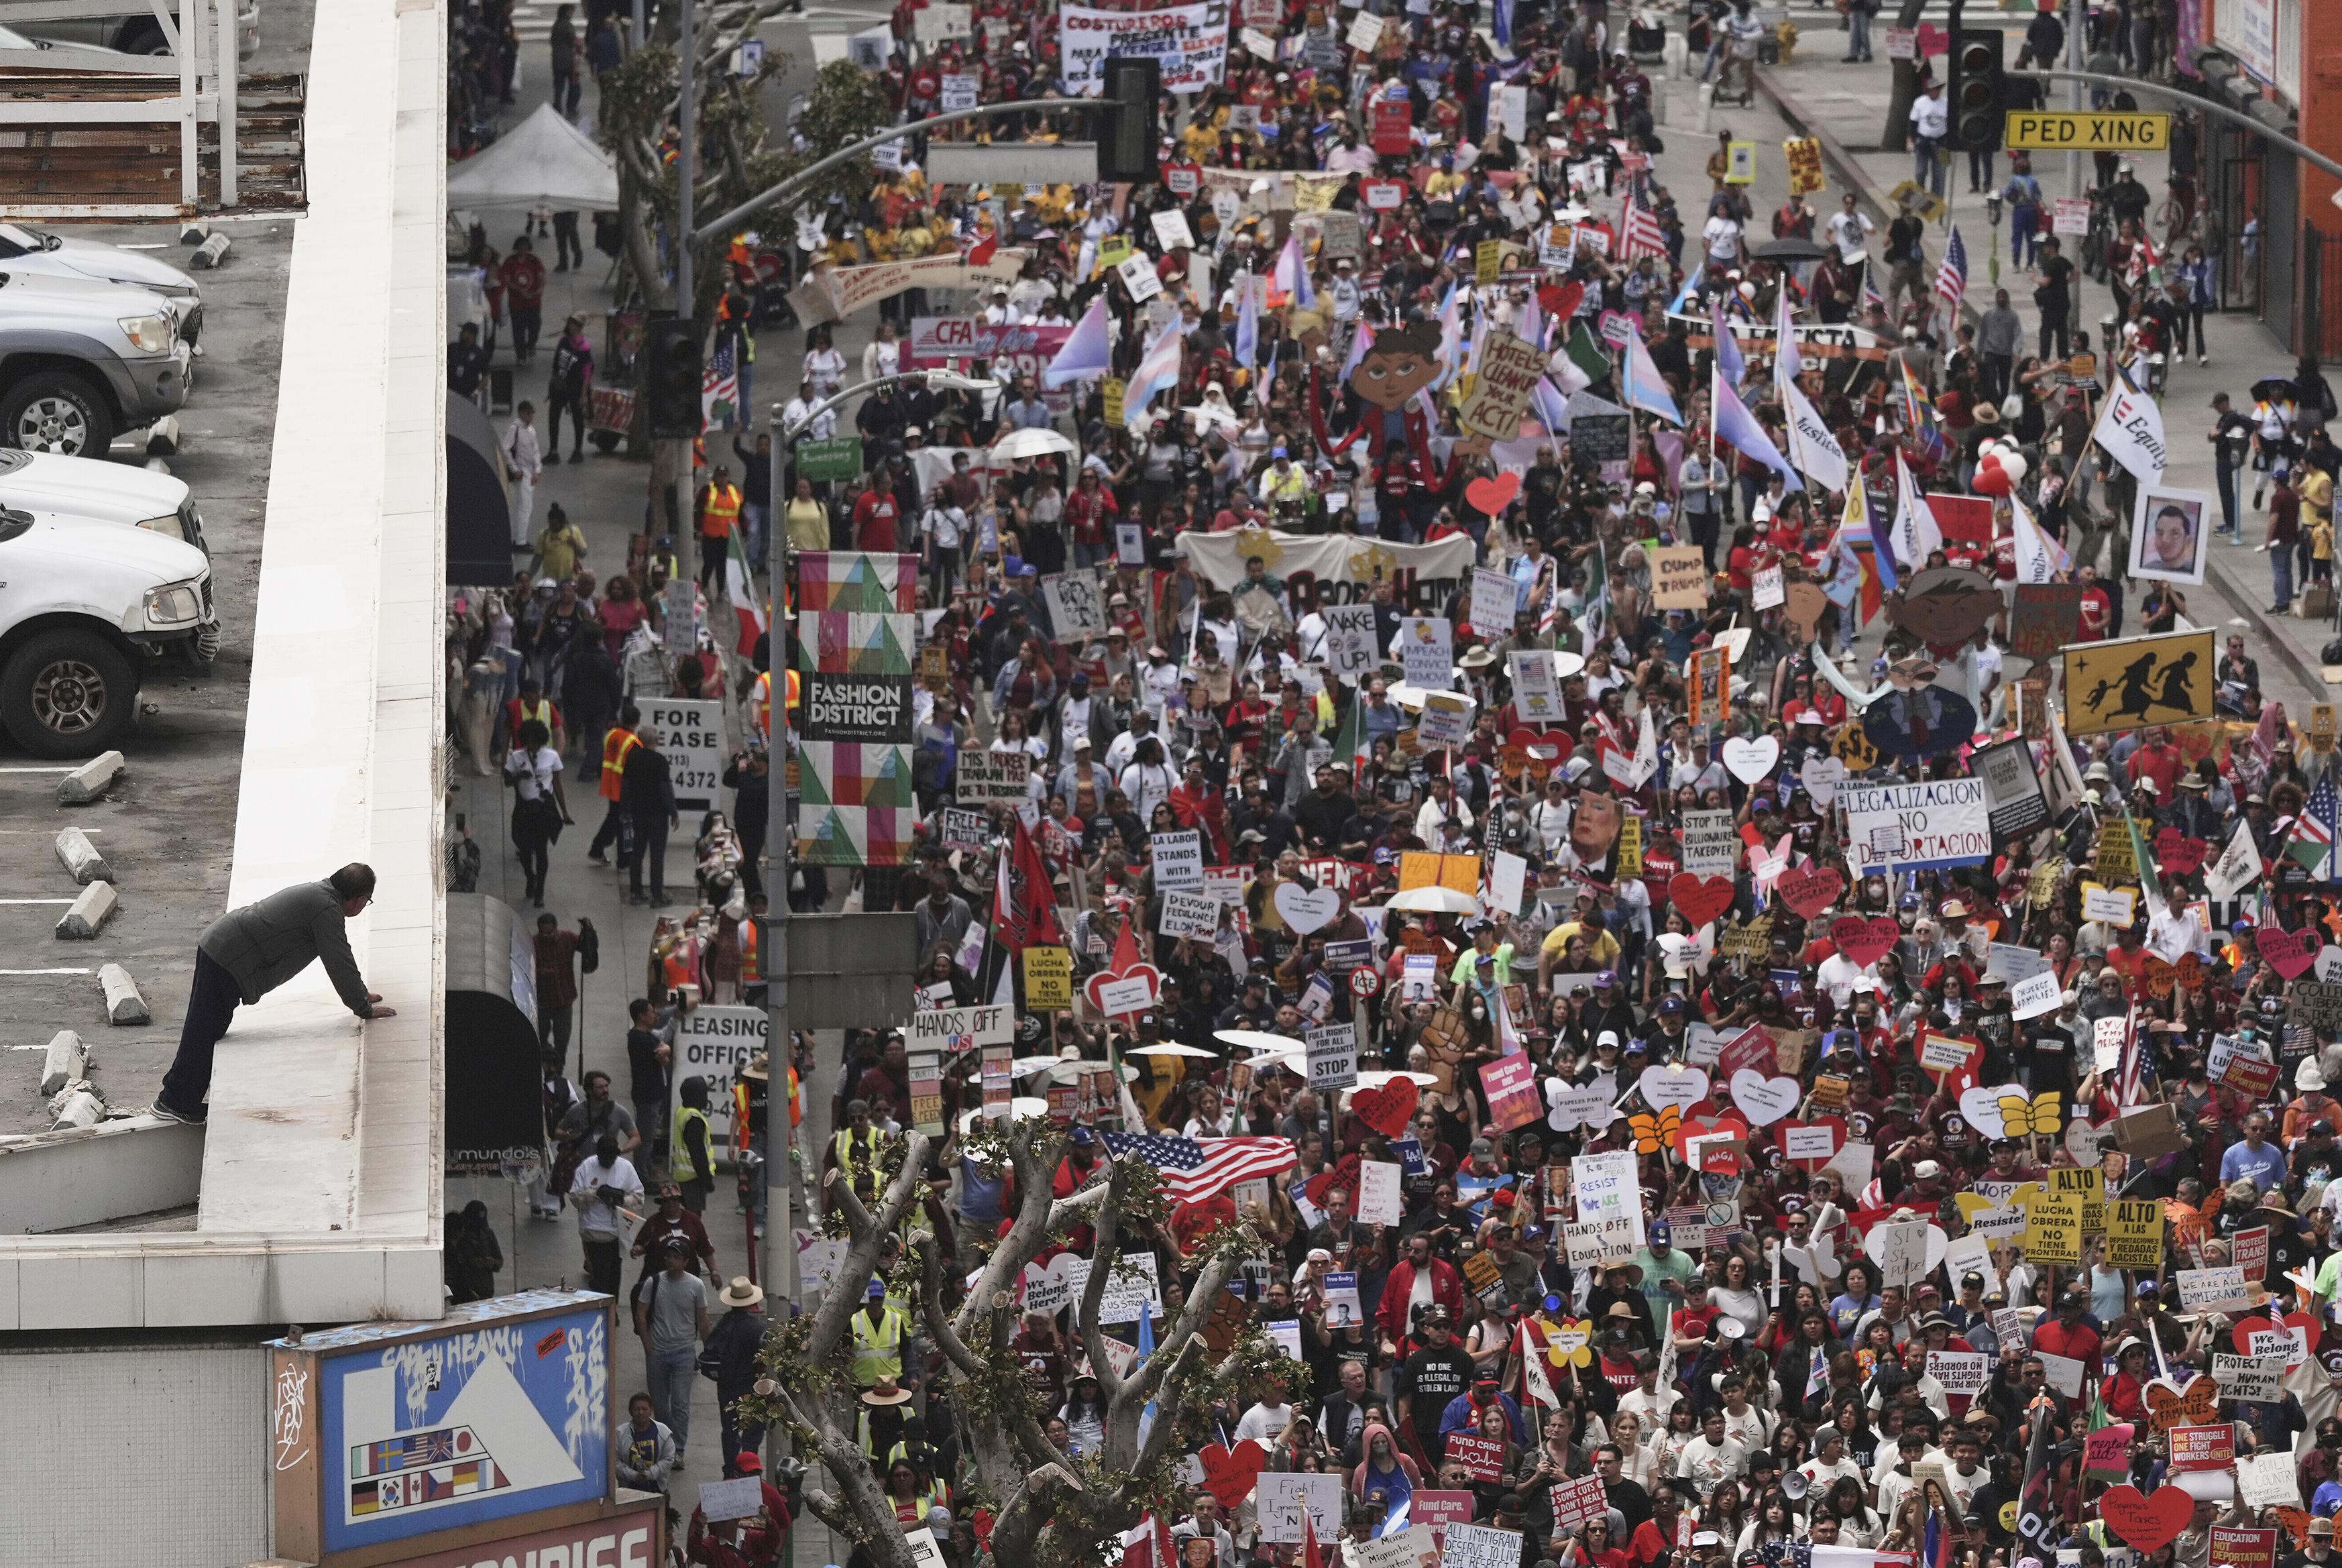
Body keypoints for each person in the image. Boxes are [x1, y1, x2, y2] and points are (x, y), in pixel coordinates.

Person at [150, 864, 395, 1124]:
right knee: (202, 1032)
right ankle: (174, 1102)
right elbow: (339, 959)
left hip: (225, 949)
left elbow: (340, 957)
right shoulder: (326, 909)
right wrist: (362, 1007)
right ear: (358, 900)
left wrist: (360, 992)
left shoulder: (321, 897)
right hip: (227, 956)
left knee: (209, 1028)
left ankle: (181, 1098)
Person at [636, 1235, 712, 1463]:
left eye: (676, 1257)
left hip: (683, 1352)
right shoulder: (654, 1282)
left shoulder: (696, 1285)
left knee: (680, 1403)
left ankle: (678, 1448)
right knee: (660, 1404)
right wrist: (648, 1345)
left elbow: (703, 1319)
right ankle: (667, 1444)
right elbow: (641, 1312)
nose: (671, 1261)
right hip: (657, 1352)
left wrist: (708, 1349)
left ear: (686, 1261)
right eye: (668, 1256)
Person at [571, 1128, 644, 1295]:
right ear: (598, 1155)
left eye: (612, 1159)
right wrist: (595, 1194)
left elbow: (639, 1197)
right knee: (601, 1274)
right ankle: (604, 1306)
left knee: (614, 1273)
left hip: (617, 1232)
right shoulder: (587, 1167)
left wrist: (621, 1201)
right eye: (604, 1159)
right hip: (594, 1231)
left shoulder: (626, 1168)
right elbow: (575, 1198)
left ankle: (612, 1306)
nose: (608, 1163)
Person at [621, 723, 680, 906]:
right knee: (657, 855)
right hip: (657, 815)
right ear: (656, 740)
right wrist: (673, 812)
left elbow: (626, 786)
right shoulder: (660, 761)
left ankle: (636, 892)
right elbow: (665, 789)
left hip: (638, 813)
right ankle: (657, 895)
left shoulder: (632, 758)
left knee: (637, 853)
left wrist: (624, 809)